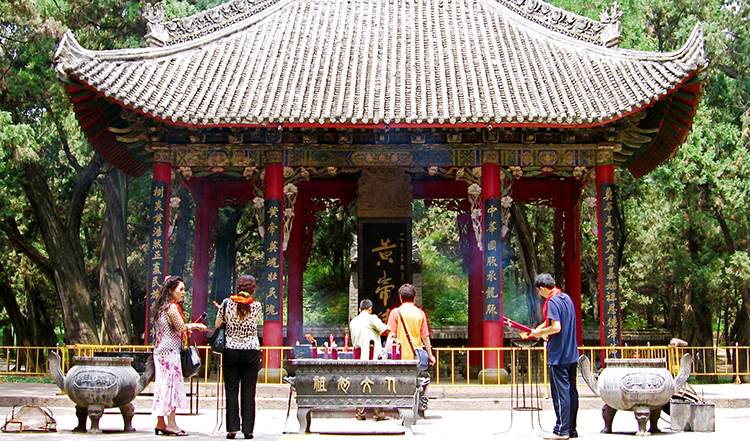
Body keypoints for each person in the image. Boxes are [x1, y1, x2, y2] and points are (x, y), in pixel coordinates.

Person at [151, 275, 208, 437]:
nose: (183, 293)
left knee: (162, 386)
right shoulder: (172, 307)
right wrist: (197, 325)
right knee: (170, 387)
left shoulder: (160, 307)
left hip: (160, 351)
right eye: (180, 290)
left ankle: (161, 422)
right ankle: (171, 424)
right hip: (170, 353)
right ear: (171, 290)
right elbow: (181, 327)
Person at [529, 273, 579, 440]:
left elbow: (556, 327)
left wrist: (540, 333)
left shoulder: (552, 302)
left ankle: (561, 430)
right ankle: (571, 428)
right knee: (571, 391)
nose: (539, 294)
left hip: (559, 354)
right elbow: (552, 322)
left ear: (543, 288)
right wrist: (539, 330)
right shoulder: (565, 298)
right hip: (572, 353)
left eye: (539, 291)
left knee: (560, 393)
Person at [215, 275, 262, 440]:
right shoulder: (257, 306)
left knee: (232, 390)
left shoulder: (226, 303)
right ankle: (248, 430)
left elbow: (217, 324)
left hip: (231, 350)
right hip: (251, 350)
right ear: (252, 289)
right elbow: (255, 322)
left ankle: (232, 429)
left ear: (238, 287)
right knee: (249, 391)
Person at [349, 299, 392, 421]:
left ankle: (360, 413)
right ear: (370, 308)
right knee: (375, 384)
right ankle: (378, 414)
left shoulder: (353, 321)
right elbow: (386, 329)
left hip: (358, 359)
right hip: (372, 358)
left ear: (359, 309)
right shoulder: (371, 318)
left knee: (361, 384)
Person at [386, 284, 436, 365]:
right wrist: (430, 355)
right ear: (414, 297)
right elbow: (425, 337)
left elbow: (392, 335)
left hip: (399, 356)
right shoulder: (420, 313)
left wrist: (386, 352)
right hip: (416, 356)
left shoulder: (395, 312)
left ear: (400, 297)